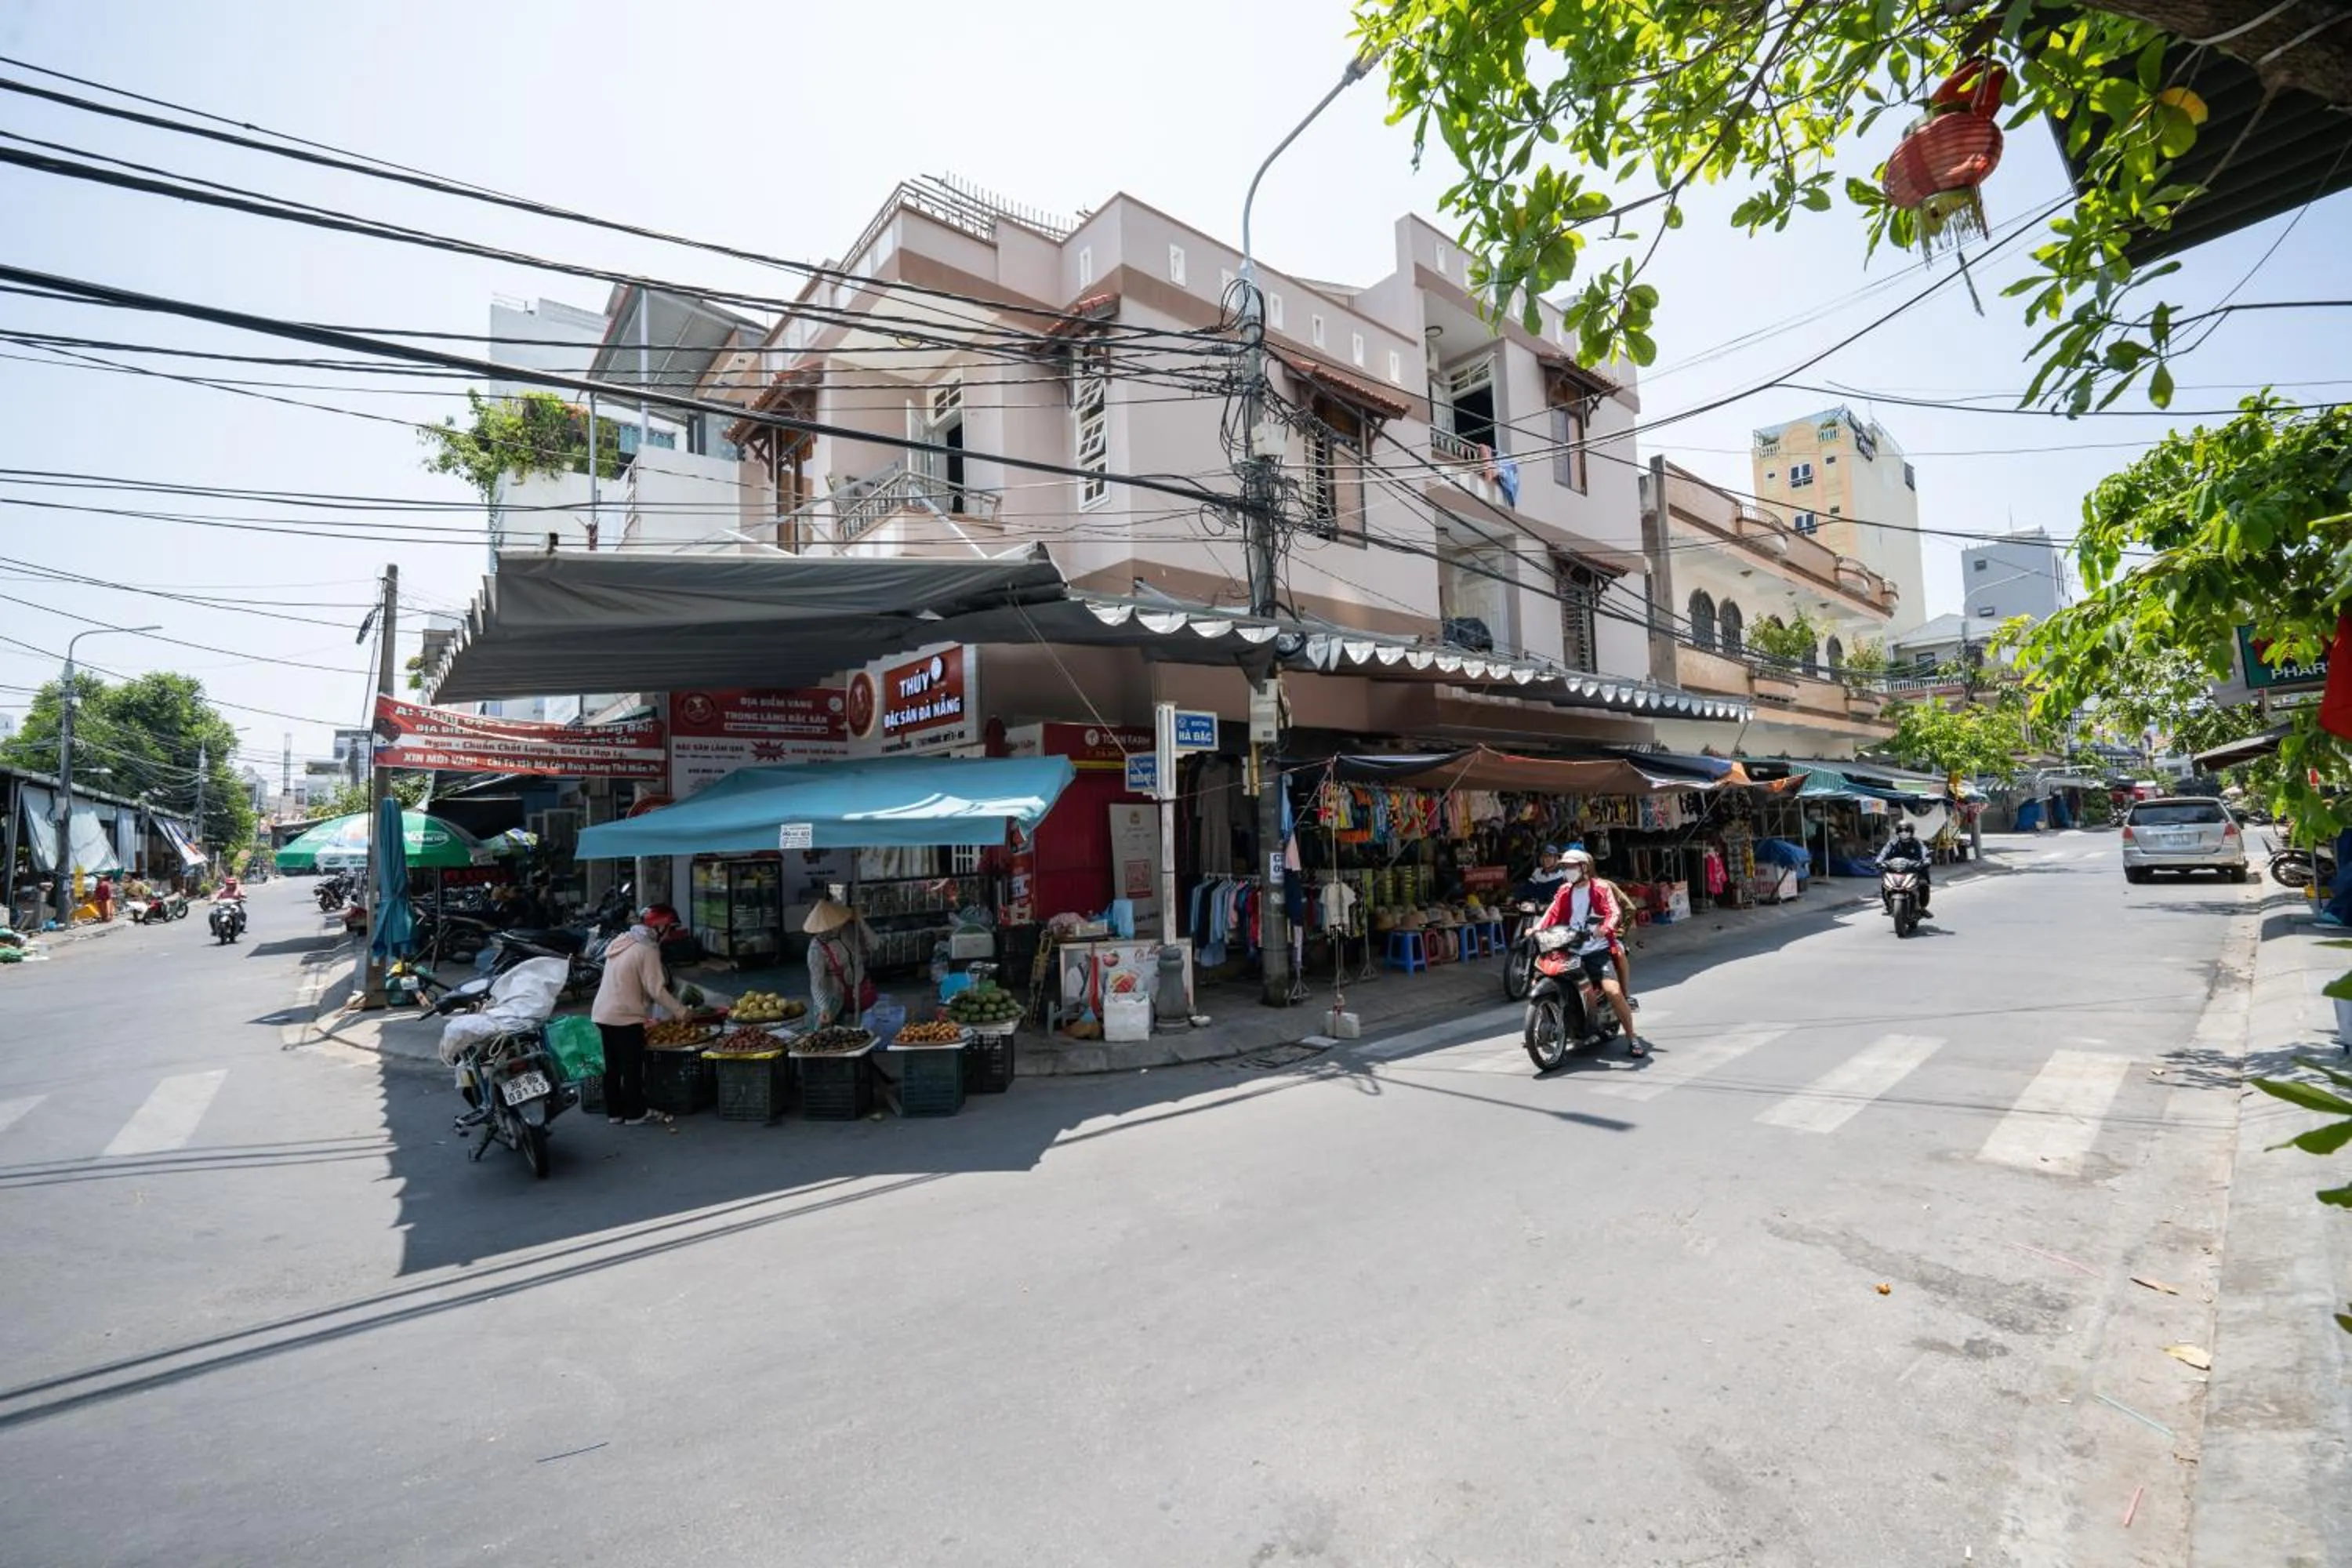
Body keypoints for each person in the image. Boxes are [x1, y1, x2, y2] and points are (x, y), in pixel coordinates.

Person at [1535, 848, 1644, 1056]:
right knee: (1541, 977)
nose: (1567, 871)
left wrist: (1606, 928)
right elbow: (1552, 912)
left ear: (1584, 868)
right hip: (1569, 947)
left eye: (1571, 867)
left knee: (1613, 991)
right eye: (1565, 867)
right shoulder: (1565, 890)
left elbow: (1614, 912)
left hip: (1597, 950)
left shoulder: (1601, 888)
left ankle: (1632, 1037)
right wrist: (1537, 928)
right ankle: (1540, 1026)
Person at [590, 903, 686, 1127]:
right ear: (659, 926)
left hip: (602, 1012)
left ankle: (615, 1113)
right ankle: (635, 1114)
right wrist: (682, 1011)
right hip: (625, 1016)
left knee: (612, 1068)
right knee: (631, 1066)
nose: (670, 933)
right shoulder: (648, 949)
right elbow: (657, 990)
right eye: (670, 928)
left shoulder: (623, 941)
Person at [1878, 820, 1932, 914]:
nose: (1904, 833)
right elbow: (1884, 852)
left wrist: (1926, 860)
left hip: (1914, 869)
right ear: (1897, 832)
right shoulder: (1893, 843)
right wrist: (1879, 861)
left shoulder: (1917, 843)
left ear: (1911, 832)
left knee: (1923, 884)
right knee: (1884, 884)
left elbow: (1924, 851)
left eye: (1907, 831)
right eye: (1901, 831)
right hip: (1895, 870)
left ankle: (1922, 908)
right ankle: (1887, 905)